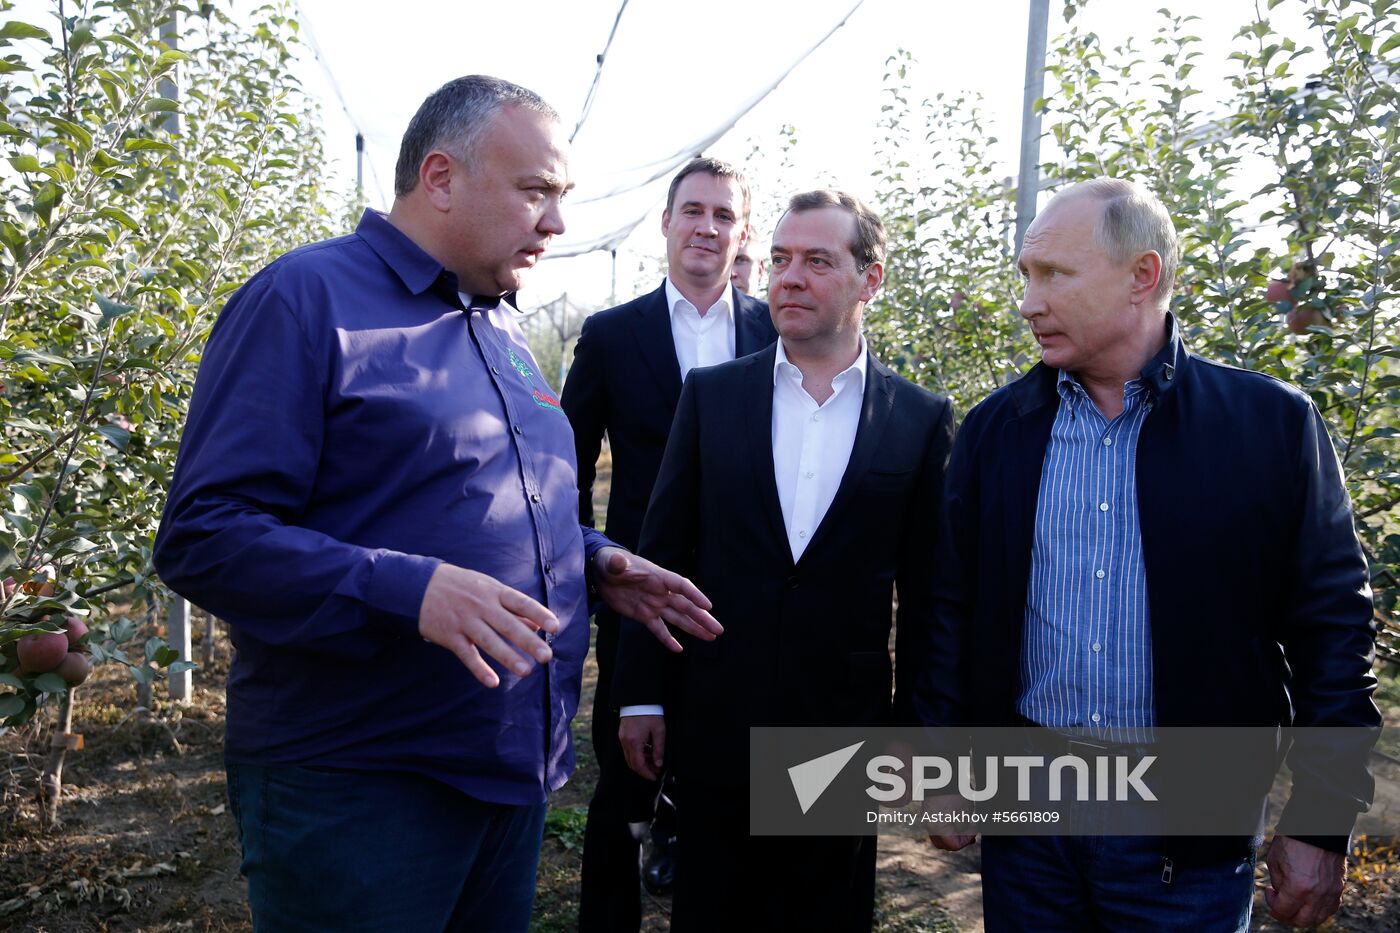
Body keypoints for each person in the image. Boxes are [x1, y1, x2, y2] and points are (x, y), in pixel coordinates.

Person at [152, 75, 719, 933]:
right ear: (441, 177)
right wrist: (408, 590)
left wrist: (591, 558)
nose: (556, 223)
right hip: (362, 783)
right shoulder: (307, 302)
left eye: (561, 197)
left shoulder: (496, 324)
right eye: (537, 192)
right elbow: (204, 535)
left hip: (504, 769)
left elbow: (471, 499)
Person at [920, 177, 1379, 931]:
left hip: (1189, 839)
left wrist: (1324, 816)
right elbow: (951, 606)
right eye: (1024, 277)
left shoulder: (1269, 428)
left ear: (1143, 275)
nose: (1028, 302)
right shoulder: (997, 432)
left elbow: (1334, 629)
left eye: (1053, 275)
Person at [614, 189, 955, 931]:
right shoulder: (713, 398)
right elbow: (660, 556)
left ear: (871, 278)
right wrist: (644, 693)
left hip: (839, 731)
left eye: (817, 261)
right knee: (711, 912)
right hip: (715, 716)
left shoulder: (919, 420)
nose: (789, 278)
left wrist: (918, 730)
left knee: (821, 914)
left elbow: (930, 596)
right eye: (780, 260)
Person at [561, 156, 777, 930]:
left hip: (741, 604)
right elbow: (569, 467)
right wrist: (595, 568)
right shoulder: (616, 336)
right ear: (667, 223)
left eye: (724, 215)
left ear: (742, 231)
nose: (707, 227)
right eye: (694, 211)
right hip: (640, 601)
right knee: (626, 783)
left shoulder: (772, 331)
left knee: (733, 781)